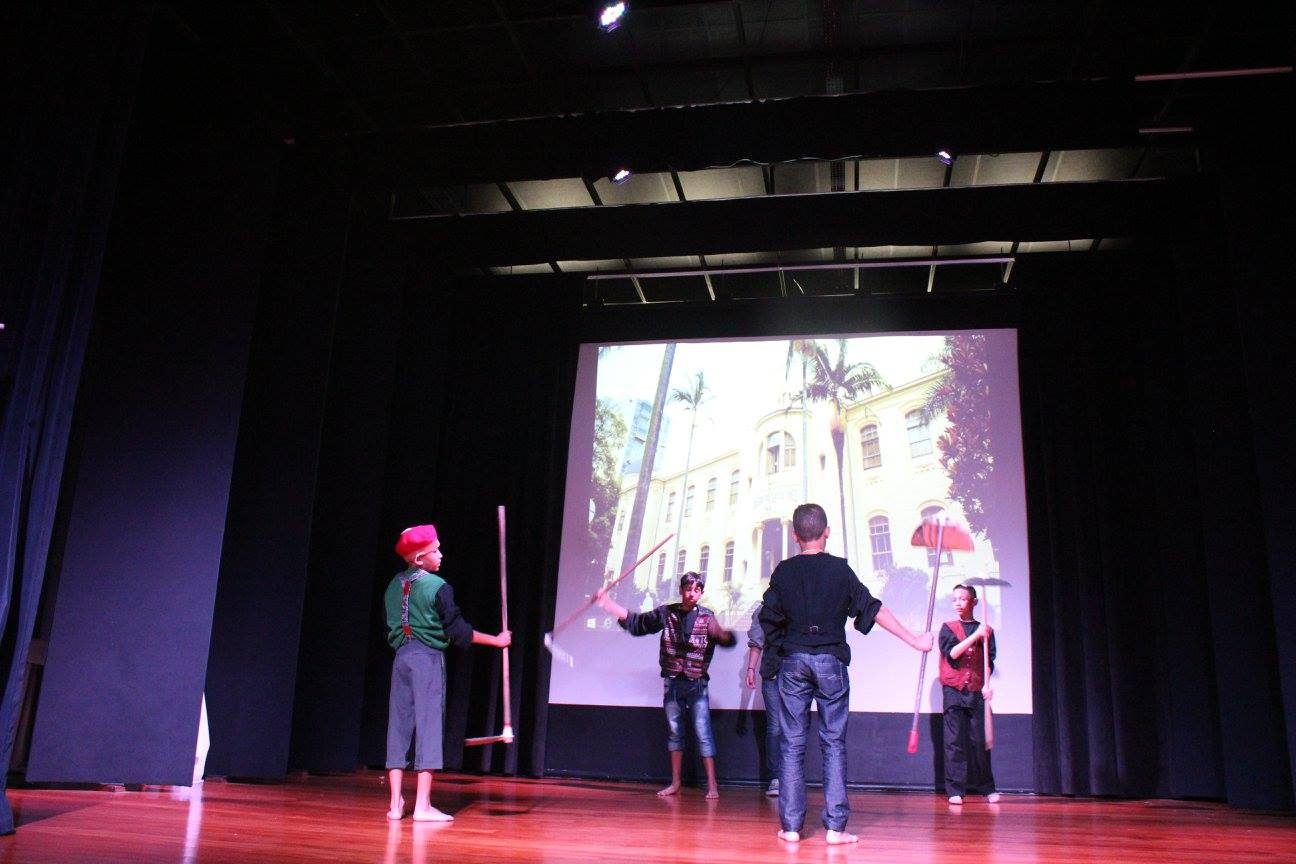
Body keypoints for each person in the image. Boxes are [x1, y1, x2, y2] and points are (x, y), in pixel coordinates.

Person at [760, 503, 934, 844]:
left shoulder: (783, 571)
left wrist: (780, 655)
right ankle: (835, 828)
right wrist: (915, 640)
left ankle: (791, 827)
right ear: (826, 532)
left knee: (791, 744)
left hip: (793, 661)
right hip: (831, 662)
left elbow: (768, 619)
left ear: (795, 536)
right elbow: (873, 609)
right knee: (833, 744)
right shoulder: (840, 569)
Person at [384, 524, 510, 821]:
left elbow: (392, 622)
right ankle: (423, 806)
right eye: (435, 550)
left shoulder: (393, 585)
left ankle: (395, 804)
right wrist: (497, 640)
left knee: (398, 727)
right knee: (429, 728)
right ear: (419, 558)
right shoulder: (438, 586)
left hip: (402, 658)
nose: (440, 555)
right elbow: (458, 632)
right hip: (426, 660)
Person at [596, 571, 737, 798]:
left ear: (701, 593)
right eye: (688, 589)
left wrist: (724, 636)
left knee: (703, 732)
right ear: (681, 590)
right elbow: (638, 624)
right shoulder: (667, 613)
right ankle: (675, 783)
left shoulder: (708, 617)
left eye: (697, 590)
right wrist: (608, 604)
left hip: (697, 684)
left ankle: (712, 786)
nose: (692, 594)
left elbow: (726, 640)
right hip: (672, 681)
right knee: (674, 732)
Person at [939, 584, 999, 805]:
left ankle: (987, 788)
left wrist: (987, 685)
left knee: (980, 741)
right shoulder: (948, 628)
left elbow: (988, 663)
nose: (958, 603)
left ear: (974, 602)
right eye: (954, 599)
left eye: (963, 599)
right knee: (954, 742)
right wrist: (975, 636)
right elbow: (953, 653)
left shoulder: (986, 630)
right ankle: (955, 790)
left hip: (976, 691)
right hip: (954, 690)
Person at [745, 603, 782, 796]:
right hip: (773, 674)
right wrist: (750, 669)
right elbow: (757, 641)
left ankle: (792, 778)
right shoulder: (764, 608)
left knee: (796, 727)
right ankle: (776, 778)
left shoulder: (801, 600)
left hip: (799, 675)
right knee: (775, 727)